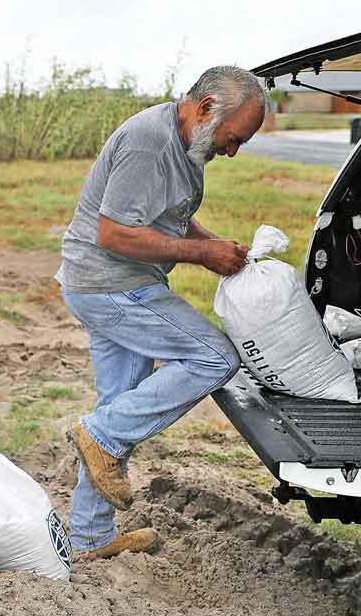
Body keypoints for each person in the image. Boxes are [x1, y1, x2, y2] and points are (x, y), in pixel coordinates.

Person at [57, 65, 267, 576]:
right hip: (111, 284)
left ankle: (88, 536)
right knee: (215, 357)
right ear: (204, 109)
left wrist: (214, 244)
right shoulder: (150, 144)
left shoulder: (183, 141)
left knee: (120, 403)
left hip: (110, 281)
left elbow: (165, 214)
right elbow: (114, 234)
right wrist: (200, 253)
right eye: (232, 138)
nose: (232, 151)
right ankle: (101, 435)